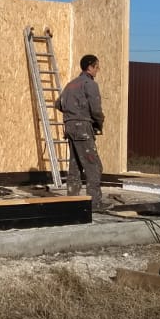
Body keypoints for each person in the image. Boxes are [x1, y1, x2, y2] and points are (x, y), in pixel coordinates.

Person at [55, 54, 105, 210]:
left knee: (75, 165)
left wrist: (71, 113)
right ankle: (94, 203)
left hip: (70, 128)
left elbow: (58, 104)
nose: (98, 70)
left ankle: (73, 202)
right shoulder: (90, 84)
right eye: (96, 67)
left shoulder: (71, 85)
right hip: (82, 128)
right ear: (90, 67)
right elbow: (96, 110)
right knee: (94, 166)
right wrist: (99, 123)